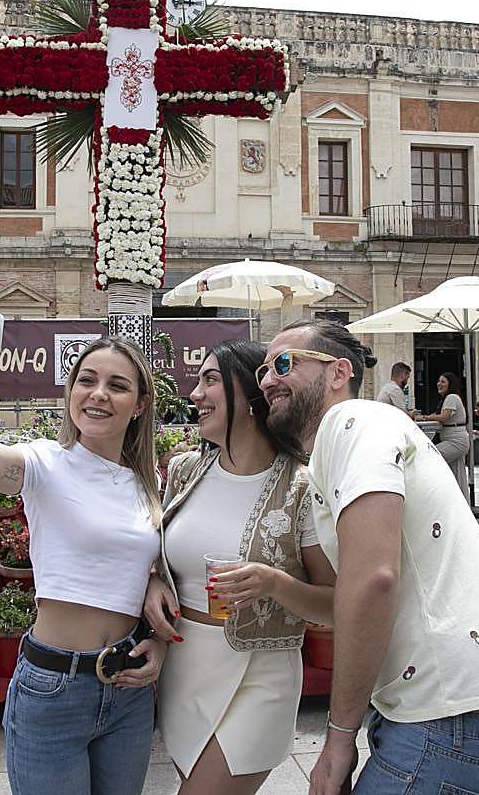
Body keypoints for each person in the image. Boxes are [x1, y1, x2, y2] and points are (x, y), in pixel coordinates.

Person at [258, 320, 479, 795]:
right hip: (473, 720)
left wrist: (338, 739)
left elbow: (373, 581)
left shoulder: (353, 421)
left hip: (447, 724)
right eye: (264, 369)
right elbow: (350, 601)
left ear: (338, 373)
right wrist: (274, 584)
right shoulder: (345, 444)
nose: (267, 379)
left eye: (284, 363)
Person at [0, 315, 166, 795]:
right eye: (86, 381)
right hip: (54, 688)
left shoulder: (149, 486)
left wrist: (158, 613)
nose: (98, 394)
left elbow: (153, 568)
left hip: (127, 689)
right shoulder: (47, 464)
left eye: (117, 385)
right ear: (70, 395)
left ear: (140, 403)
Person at [143, 340, 336, 794]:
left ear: (251, 398)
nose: (195, 394)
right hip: (184, 669)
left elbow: (334, 604)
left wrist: (274, 582)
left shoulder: (301, 487)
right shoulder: (187, 471)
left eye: (210, 380)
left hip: (260, 675)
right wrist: (153, 581)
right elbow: (162, 556)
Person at [416, 372, 469, 499]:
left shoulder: (452, 397)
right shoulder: (448, 399)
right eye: (439, 381)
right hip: (455, 439)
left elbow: (444, 417)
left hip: (456, 441)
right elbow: (439, 415)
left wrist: (424, 417)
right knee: (457, 476)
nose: (439, 384)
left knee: (431, 457)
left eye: (443, 382)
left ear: (450, 384)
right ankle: (461, 505)